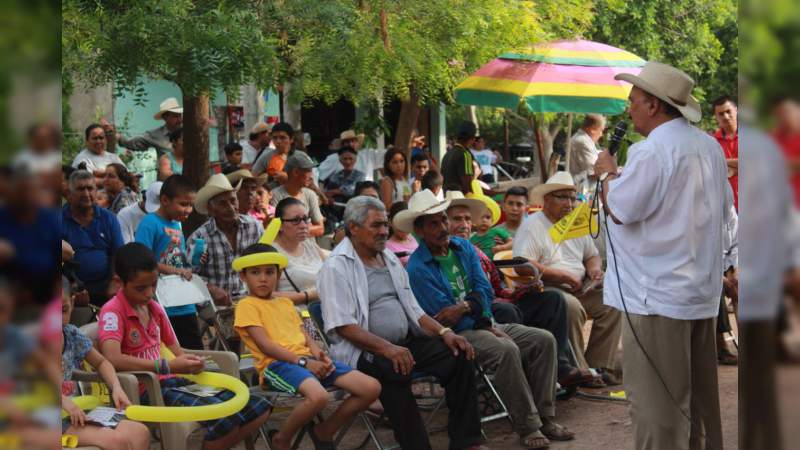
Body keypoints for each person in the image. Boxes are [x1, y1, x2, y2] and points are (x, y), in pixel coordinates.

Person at [593, 61, 729, 449]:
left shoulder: (651, 151)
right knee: (698, 401)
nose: (629, 108)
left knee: (658, 406)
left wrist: (607, 175)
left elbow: (622, 208)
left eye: (634, 101)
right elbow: (727, 215)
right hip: (698, 294)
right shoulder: (709, 146)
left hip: (657, 299)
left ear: (654, 105)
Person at [402, 189, 571, 449]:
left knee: (544, 340)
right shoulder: (417, 267)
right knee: (505, 349)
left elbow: (485, 289)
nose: (443, 227)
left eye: (443, 220)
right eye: (433, 224)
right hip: (460, 335)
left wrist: (472, 310)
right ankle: (529, 426)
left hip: (483, 322)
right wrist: (480, 319)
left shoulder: (463, 246)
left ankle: (546, 417)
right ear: (420, 231)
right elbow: (444, 316)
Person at [318, 196, 487, 450]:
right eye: (376, 225)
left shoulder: (389, 258)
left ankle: (467, 440)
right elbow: (344, 326)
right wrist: (387, 348)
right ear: (353, 228)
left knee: (459, 354)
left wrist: (444, 332)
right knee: (395, 369)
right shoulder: (336, 267)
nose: (384, 231)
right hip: (364, 351)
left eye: (385, 225)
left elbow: (414, 310)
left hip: (404, 343)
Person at [99, 243, 272, 450]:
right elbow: (112, 358)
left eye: (153, 285)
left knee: (259, 406)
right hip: (144, 390)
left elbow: (177, 351)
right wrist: (167, 367)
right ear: (119, 282)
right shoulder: (112, 311)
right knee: (222, 418)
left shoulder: (153, 307)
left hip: (172, 382)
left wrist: (192, 363)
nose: (149, 293)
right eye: (140, 288)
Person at [233, 243, 380, 450]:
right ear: (243, 277)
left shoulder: (285, 303)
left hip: (308, 362)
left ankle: (325, 431)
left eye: (269, 272)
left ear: (279, 273)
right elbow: (265, 346)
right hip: (277, 366)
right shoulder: (246, 305)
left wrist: (319, 353)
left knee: (370, 388)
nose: (263, 278)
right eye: (255, 273)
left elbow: (304, 335)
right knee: (319, 397)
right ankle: (282, 438)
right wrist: (303, 362)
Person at [444, 193, 587, 386]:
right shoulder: (444, 254)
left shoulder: (476, 251)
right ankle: (526, 378)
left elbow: (498, 290)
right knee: (507, 310)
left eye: (468, 219)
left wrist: (525, 290)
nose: (464, 224)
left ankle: (559, 369)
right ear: (445, 223)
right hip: (475, 316)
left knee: (552, 300)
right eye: (457, 219)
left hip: (494, 304)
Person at [514, 172, 622, 385]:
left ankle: (601, 365)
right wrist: (560, 275)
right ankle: (579, 371)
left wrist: (594, 271)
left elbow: (592, 255)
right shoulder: (533, 225)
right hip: (545, 291)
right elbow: (521, 264)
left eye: (572, 198)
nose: (569, 203)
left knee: (613, 302)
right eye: (562, 197)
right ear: (547, 200)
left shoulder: (574, 223)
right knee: (569, 306)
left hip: (579, 286)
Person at [61, 280, 152, 450]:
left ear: (72, 302)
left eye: (63, 310)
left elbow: (101, 362)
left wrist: (116, 387)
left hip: (77, 413)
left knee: (140, 432)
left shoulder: (71, 334)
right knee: (115, 441)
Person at [134, 174, 203, 349]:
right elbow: (142, 260)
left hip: (184, 301)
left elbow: (177, 258)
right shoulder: (150, 223)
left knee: (194, 349)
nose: (188, 210)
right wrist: (174, 271)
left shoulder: (176, 224)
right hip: (161, 303)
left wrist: (193, 258)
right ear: (165, 200)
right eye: (184, 204)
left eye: (191, 205)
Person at [188, 174, 264, 303]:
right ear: (211, 210)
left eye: (233, 200)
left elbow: (264, 260)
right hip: (216, 306)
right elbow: (189, 275)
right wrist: (210, 288)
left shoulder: (253, 226)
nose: (230, 208)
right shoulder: (199, 237)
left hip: (250, 300)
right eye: (222, 204)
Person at [62, 170, 124, 306]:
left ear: (96, 191)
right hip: (72, 288)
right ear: (70, 194)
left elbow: (118, 253)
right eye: (80, 189)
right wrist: (69, 288)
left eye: (90, 188)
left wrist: (115, 280)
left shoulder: (108, 218)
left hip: (106, 285)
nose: (86, 193)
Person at [271, 198, 329, 305]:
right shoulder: (271, 253)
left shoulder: (309, 244)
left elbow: (331, 271)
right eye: (295, 220)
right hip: (293, 315)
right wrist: (308, 296)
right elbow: (267, 295)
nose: (303, 225)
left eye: (305, 219)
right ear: (279, 225)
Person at [269, 152, 325, 237]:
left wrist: (292, 229)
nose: (312, 177)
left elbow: (320, 229)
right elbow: (275, 230)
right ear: (295, 172)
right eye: (309, 171)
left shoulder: (310, 195)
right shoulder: (275, 195)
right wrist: (307, 227)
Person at [116, 97, 183, 155]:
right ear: (165, 117)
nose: (179, 119)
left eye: (180, 115)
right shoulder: (155, 134)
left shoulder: (188, 132)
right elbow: (133, 143)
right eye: (175, 116)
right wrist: (119, 137)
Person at [712, 96, 739, 210]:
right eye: (721, 114)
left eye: (728, 111)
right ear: (716, 116)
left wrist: (721, 162)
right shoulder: (712, 142)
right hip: (726, 208)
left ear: (736, 110)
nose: (726, 116)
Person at [567, 114, 606, 194]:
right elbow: (595, 171)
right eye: (601, 130)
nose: (601, 134)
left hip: (583, 189)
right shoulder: (582, 141)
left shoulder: (584, 139)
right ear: (593, 129)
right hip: (582, 191)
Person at [441, 121, 476, 193]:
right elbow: (468, 185)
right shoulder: (465, 154)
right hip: (461, 200)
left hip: (448, 199)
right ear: (473, 138)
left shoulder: (447, 154)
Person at [384, 201, 418, 266]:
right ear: (390, 222)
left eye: (406, 222)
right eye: (398, 222)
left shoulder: (412, 237)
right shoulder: (387, 247)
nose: (402, 226)